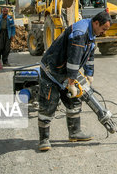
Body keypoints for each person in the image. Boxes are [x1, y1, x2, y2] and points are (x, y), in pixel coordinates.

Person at [37, 11, 111, 151]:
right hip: (52, 70)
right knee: (48, 104)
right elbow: (73, 60)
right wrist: (71, 83)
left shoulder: (91, 33)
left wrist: (89, 74)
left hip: (66, 72)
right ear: (96, 23)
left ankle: (75, 132)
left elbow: (89, 55)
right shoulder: (80, 33)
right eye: (103, 29)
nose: (103, 32)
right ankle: (44, 139)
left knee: (75, 101)